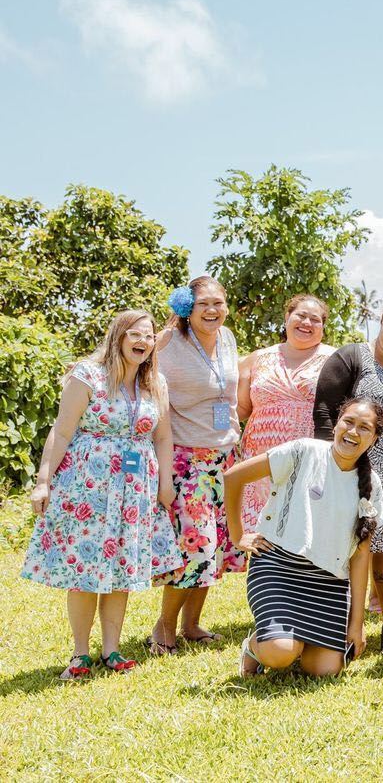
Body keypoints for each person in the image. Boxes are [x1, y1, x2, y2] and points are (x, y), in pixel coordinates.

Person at [21, 310, 182, 679]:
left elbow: (162, 437)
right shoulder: (87, 375)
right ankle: (80, 654)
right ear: (118, 337)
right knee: (84, 568)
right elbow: (62, 431)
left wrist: (166, 483)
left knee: (121, 568)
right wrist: (44, 480)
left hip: (135, 490)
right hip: (86, 488)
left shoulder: (155, 382)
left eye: (149, 335)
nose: (143, 341)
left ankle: (111, 650)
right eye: (135, 334)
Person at [226, 398, 383, 677]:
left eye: (364, 427)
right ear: (336, 424)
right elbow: (233, 477)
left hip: (328, 582)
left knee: (325, 670)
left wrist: (356, 623)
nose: (353, 431)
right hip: (278, 568)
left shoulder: (372, 483)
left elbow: (361, 555)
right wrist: (238, 535)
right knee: (279, 653)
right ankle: (255, 647)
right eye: (348, 421)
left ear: (374, 439)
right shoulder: (302, 451)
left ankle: (296, 641)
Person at [314, 291, 383, 654]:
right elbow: (324, 412)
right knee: (349, 540)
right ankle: (337, 622)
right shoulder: (350, 357)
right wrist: (333, 465)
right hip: (357, 464)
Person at [152, 276, 241, 653]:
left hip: (226, 456)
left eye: (218, 303)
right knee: (196, 545)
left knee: (216, 545)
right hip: (186, 458)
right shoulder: (168, 341)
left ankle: (192, 624)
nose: (212, 310)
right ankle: (163, 627)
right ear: (187, 307)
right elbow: (141, 381)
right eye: (204, 303)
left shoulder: (228, 339)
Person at [236, 294, 335, 535]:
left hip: (308, 458)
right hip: (259, 458)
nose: (307, 323)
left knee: (300, 530)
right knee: (258, 535)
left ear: (323, 326)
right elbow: (241, 409)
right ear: (287, 317)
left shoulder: (335, 359)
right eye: (301, 315)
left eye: (315, 319)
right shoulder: (257, 358)